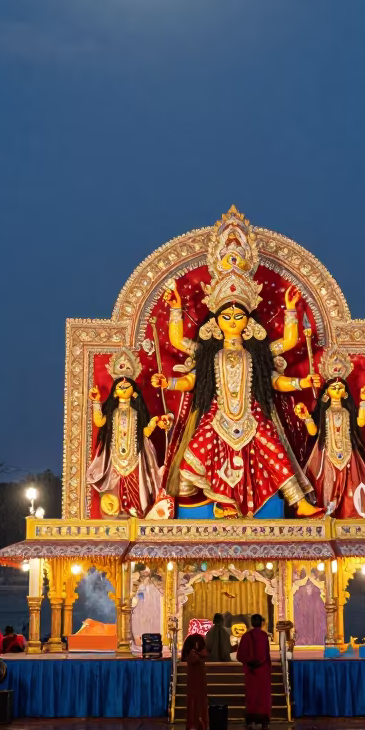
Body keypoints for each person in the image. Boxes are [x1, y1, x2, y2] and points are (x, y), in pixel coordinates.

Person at [152, 211, 321, 519]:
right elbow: (185, 361)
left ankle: (299, 502)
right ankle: (222, 501)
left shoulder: (257, 353)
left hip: (253, 415)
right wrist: (170, 382)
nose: (232, 321)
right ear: (216, 321)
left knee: (275, 452)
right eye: (226, 317)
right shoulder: (208, 352)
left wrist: (301, 381)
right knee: (190, 462)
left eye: (238, 316)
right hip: (218, 415)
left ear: (248, 321)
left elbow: (277, 372)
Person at [87, 349, 173, 518]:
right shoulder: (112, 413)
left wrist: (156, 421)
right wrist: (96, 401)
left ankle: (137, 512)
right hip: (115, 456)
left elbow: (145, 432)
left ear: (134, 392)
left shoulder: (136, 413)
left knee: (137, 482)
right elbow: (99, 422)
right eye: (120, 386)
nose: (124, 387)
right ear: (114, 392)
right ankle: (119, 511)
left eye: (127, 386)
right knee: (116, 485)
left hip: (136, 455)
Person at [294, 349, 365, 518]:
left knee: (352, 486)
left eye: (340, 388)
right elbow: (313, 432)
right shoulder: (324, 412)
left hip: (348, 454)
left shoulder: (347, 411)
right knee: (326, 486)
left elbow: (360, 422)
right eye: (333, 387)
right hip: (326, 455)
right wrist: (307, 418)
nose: (337, 390)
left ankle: (350, 516)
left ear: (345, 392)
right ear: (327, 392)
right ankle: (326, 515)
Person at [236, 613, 272, 727]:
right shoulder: (264, 636)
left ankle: (251, 718)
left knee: (252, 695)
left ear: (251, 623)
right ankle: (263, 719)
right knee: (263, 696)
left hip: (251, 671)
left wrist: (249, 662)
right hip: (263, 671)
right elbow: (267, 655)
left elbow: (239, 655)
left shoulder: (246, 636)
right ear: (261, 623)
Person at [181, 632, 208, 730]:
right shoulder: (194, 655)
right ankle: (194, 724)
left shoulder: (196, 654)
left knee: (198, 702)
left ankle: (199, 724)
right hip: (195, 681)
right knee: (194, 702)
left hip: (197, 681)